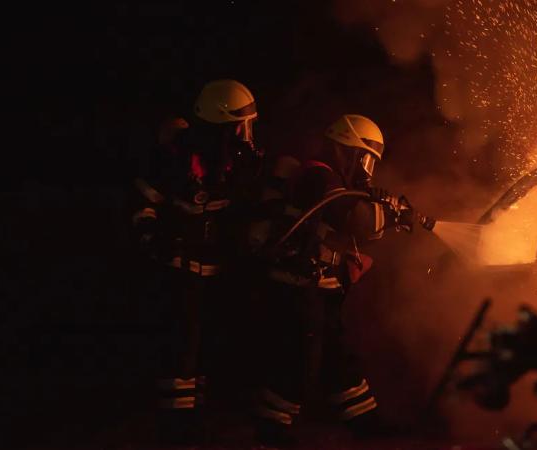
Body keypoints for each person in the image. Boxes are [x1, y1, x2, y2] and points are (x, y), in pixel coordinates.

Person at [252, 114, 422, 446]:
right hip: (298, 285)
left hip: (319, 283)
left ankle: (363, 420)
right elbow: (360, 221)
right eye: (366, 160)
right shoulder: (319, 177)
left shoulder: (332, 181)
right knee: (299, 360)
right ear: (348, 152)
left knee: (337, 355)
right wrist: (393, 214)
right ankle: (271, 428)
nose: (367, 170)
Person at [130, 79, 263, 445]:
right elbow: (144, 204)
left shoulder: (237, 162)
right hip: (180, 267)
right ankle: (175, 426)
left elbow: (242, 209)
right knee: (181, 347)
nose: (245, 133)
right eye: (240, 125)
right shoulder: (172, 159)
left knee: (207, 345)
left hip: (217, 268)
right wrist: (149, 236)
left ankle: (197, 417)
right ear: (220, 125)